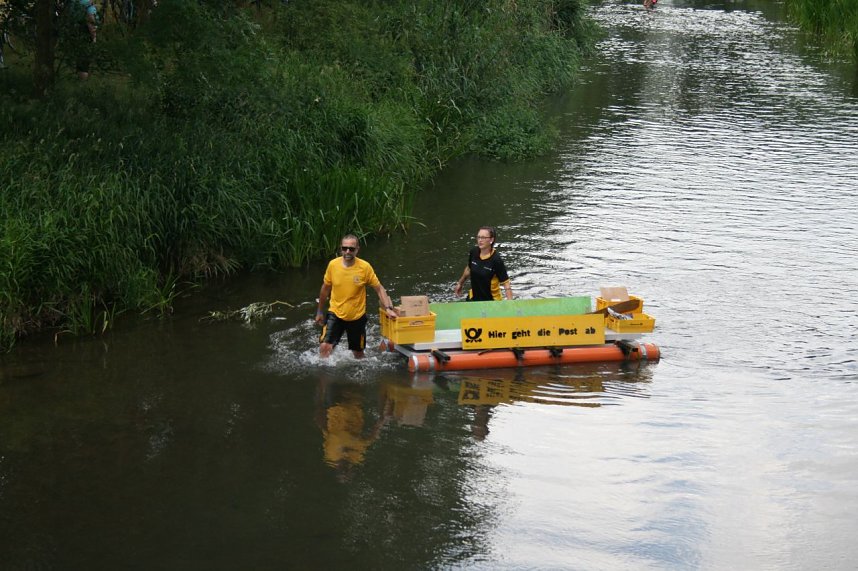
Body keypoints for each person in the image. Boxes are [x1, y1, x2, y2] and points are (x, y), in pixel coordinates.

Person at [315, 234, 398, 358]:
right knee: (325, 347)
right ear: (341, 249)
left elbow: (379, 288)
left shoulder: (364, 267)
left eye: (351, 249)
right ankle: (324, 374)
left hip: (357, 317)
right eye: (344, 248)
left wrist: (388, 309)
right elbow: (325, 289)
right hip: (335, 313)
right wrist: (320, 311)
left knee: (358, 354)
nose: (347, 251)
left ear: (357, 250)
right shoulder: (333, 265)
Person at [453, 226, 513, 301]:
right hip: (474, 297)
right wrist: (460, 283)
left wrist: (510, 305)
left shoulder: (496, 260)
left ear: (491, 240)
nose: (480, 240)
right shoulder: (474, 252)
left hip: (491, 300)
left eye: (483, 238)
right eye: (478, 237)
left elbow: (506, 284)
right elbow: (469, 268)